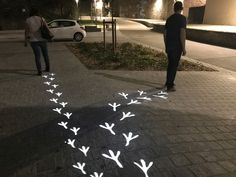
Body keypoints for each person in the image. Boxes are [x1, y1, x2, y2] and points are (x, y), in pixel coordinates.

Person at [163, 1, 186, 92]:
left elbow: (165, 33)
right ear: (182, 8)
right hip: (177, 46)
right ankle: (170, 85)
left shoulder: (169, 19)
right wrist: (184, 48)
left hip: (169, 45)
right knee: (174, 65)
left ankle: (168, 81)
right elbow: (182, 33)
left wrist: (166, 45)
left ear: (174, 8)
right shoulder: (182, 19)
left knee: (170, 64)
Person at [24, 8, 50, 76]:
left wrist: (26, 41)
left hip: (33, 41)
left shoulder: (28, 20)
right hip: (43, 40)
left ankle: (39, 71)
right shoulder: (41, 18)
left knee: (37, 56)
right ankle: (48, 68)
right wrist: (51, 35)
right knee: (45, 55)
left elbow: (26, 31)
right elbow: (47, 28)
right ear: (37, 12)